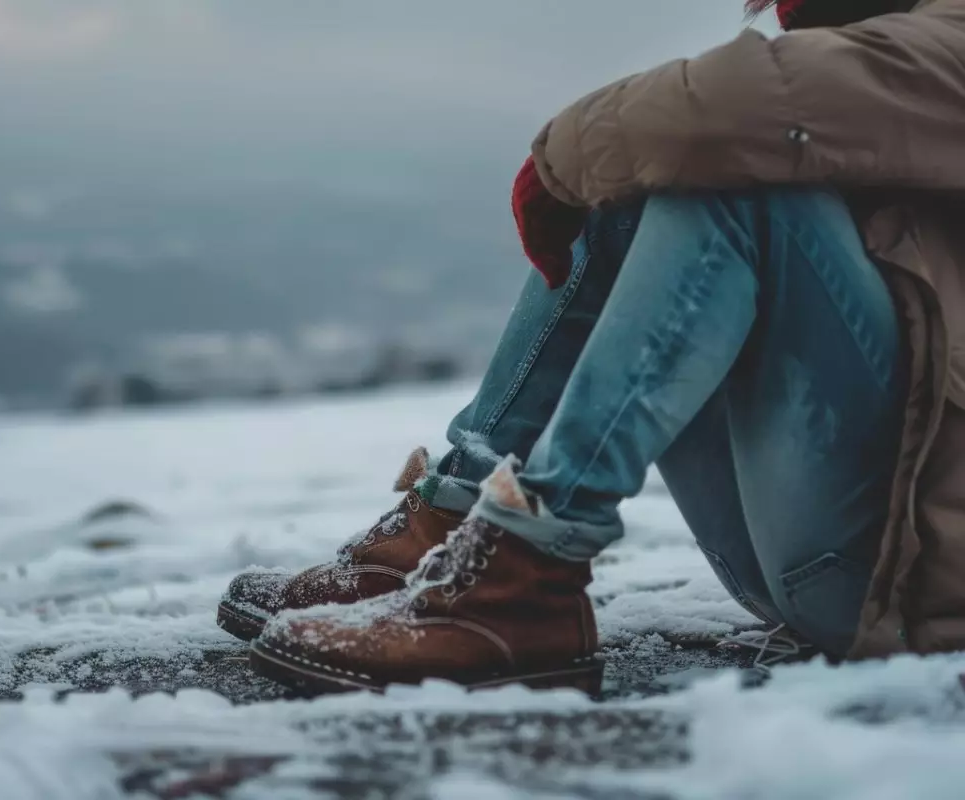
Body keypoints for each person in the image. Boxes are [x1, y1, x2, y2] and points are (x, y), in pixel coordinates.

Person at [218, 0, 965, 695]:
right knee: (649, 183)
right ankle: (452, 527)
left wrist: (558, 161)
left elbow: (740, 106)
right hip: (826, 565)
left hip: (908, 592)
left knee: (734, 176)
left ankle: (526, 576)